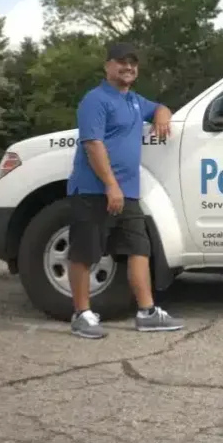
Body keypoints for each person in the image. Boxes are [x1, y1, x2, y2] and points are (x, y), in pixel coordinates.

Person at [66, 41, 183, 339]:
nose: (128, 67)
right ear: (107, 66)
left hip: (127, 192)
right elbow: (93, 145)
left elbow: (159, 107)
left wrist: (161, 115)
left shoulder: (133, 100)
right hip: (94, 190)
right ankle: (81, 314)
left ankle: (146, 312)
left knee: (138, 248)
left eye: (133, 63)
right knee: (85, 252)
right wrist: (110, 185)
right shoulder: (95, 100)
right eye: (121, 62)